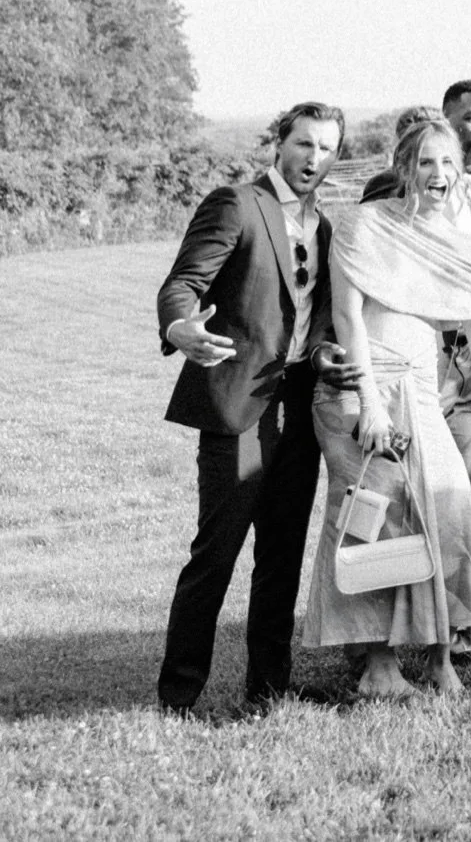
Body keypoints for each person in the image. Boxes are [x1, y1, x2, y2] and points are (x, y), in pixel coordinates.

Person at [306, 121, 471, 695]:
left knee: (449, 508)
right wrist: (370, 404)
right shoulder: (366, 224)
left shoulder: (465, 247)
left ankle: (441, 658)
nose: (437, 174)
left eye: (447, 163)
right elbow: (347, 318)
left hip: (421, 390)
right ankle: (378, 666)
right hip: (362, 390)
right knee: (375, 519)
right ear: (404, 168)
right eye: (424, 162)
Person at [153, 102, 357, 713]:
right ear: (279, 143)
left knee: (282, 554)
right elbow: (182, 284)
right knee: (216, 553)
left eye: (326, 148)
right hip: (237, 405)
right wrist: (180, 327)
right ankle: (178, 695)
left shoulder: (325, 228)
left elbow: (312, 322)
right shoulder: (236, 205)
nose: (314, 158)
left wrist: (322, 356)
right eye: (304, 144)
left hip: (298, 406)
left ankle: (269, 687)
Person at [359, 79, 471, 524]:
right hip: (419, 360)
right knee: (404, 491)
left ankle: (456, 571)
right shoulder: (392, 189)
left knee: (461, 497)